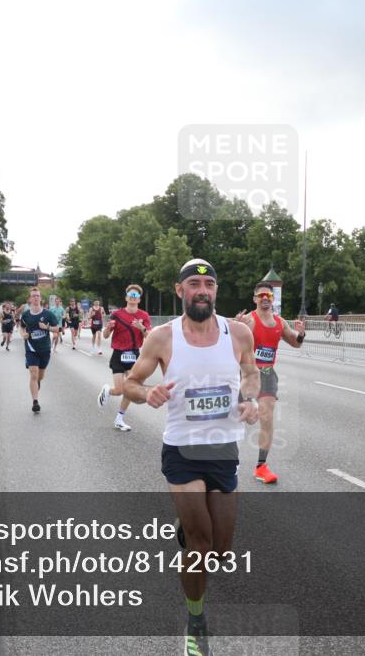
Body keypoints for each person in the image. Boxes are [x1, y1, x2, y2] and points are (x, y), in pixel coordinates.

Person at [122, 258, 259, 656]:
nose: (203, 290)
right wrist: (146, 394)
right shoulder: (162, 338)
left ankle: (190, 525)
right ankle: (196, 621)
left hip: (223, 449)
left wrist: (249, 398)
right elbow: (131, 382)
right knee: (199, 544)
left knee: (221, 548)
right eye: (194, 283)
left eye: (209, 284)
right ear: (180, 290)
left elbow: (251, 372)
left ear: (216, 291)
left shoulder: (239, 334)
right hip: (182, 449)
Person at [234, 281, 306, 484]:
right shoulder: (248, 320)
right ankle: (226, 459)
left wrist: (301, 334)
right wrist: (237, 328)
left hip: (266, 375)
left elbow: (295, 343)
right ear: (255, 298)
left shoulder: (279, 322)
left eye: (269, 296)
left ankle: (261, 466)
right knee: (234, 417)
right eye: (261, 295)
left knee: (266, 417)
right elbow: (230, 345)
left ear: (273, 300)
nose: (265, 299)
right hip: (245, 373)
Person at [97, 285, 152, 432]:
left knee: (130, 389)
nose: (133, 296)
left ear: (139, 299)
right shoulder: (117, 314)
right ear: (126, 297)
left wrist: (142, 328)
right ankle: (108, 391)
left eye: (136, 295)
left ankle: (119, 419)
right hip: (118, 354)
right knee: (120, 390)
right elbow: (106, 336)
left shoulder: (144, 315)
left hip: (134, 354)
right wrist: (108, 328)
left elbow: (150, 336)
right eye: (130, 294)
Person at [16, 288, 59, 413]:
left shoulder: (48, 314)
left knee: (40, 376)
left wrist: (47, 327)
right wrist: (23, 334)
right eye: (33, 296)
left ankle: (38, 382)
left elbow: (57, 329)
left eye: (37, 296)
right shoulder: (26, 315)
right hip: (31, 348)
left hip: (45, 349)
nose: (35, 298)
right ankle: (35, 402)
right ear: (30, 299)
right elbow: (22, 328)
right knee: (33, 374)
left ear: (41, 298)